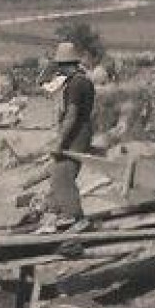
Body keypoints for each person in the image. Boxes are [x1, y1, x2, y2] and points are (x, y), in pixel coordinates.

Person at [42, 41, 96, 233]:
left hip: (76, 134)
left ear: (64, 64)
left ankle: (77, 218)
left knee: (62, 175)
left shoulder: (75, 84)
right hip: (82, 131)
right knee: (59, 172)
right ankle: (58, 213)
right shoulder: (84, 81)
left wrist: (59, 142)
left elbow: (71, 115)